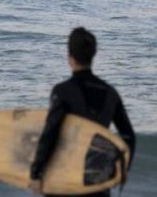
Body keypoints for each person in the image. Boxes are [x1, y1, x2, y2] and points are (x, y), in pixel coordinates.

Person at [29, 27, 136, 197]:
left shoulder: (62, 91)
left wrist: (36, 172)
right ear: (93, 55)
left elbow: (51, 133)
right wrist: (122, 170)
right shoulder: (110, 93)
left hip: (66, 179)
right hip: (96, 179)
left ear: (69, 57)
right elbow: (129, 135)